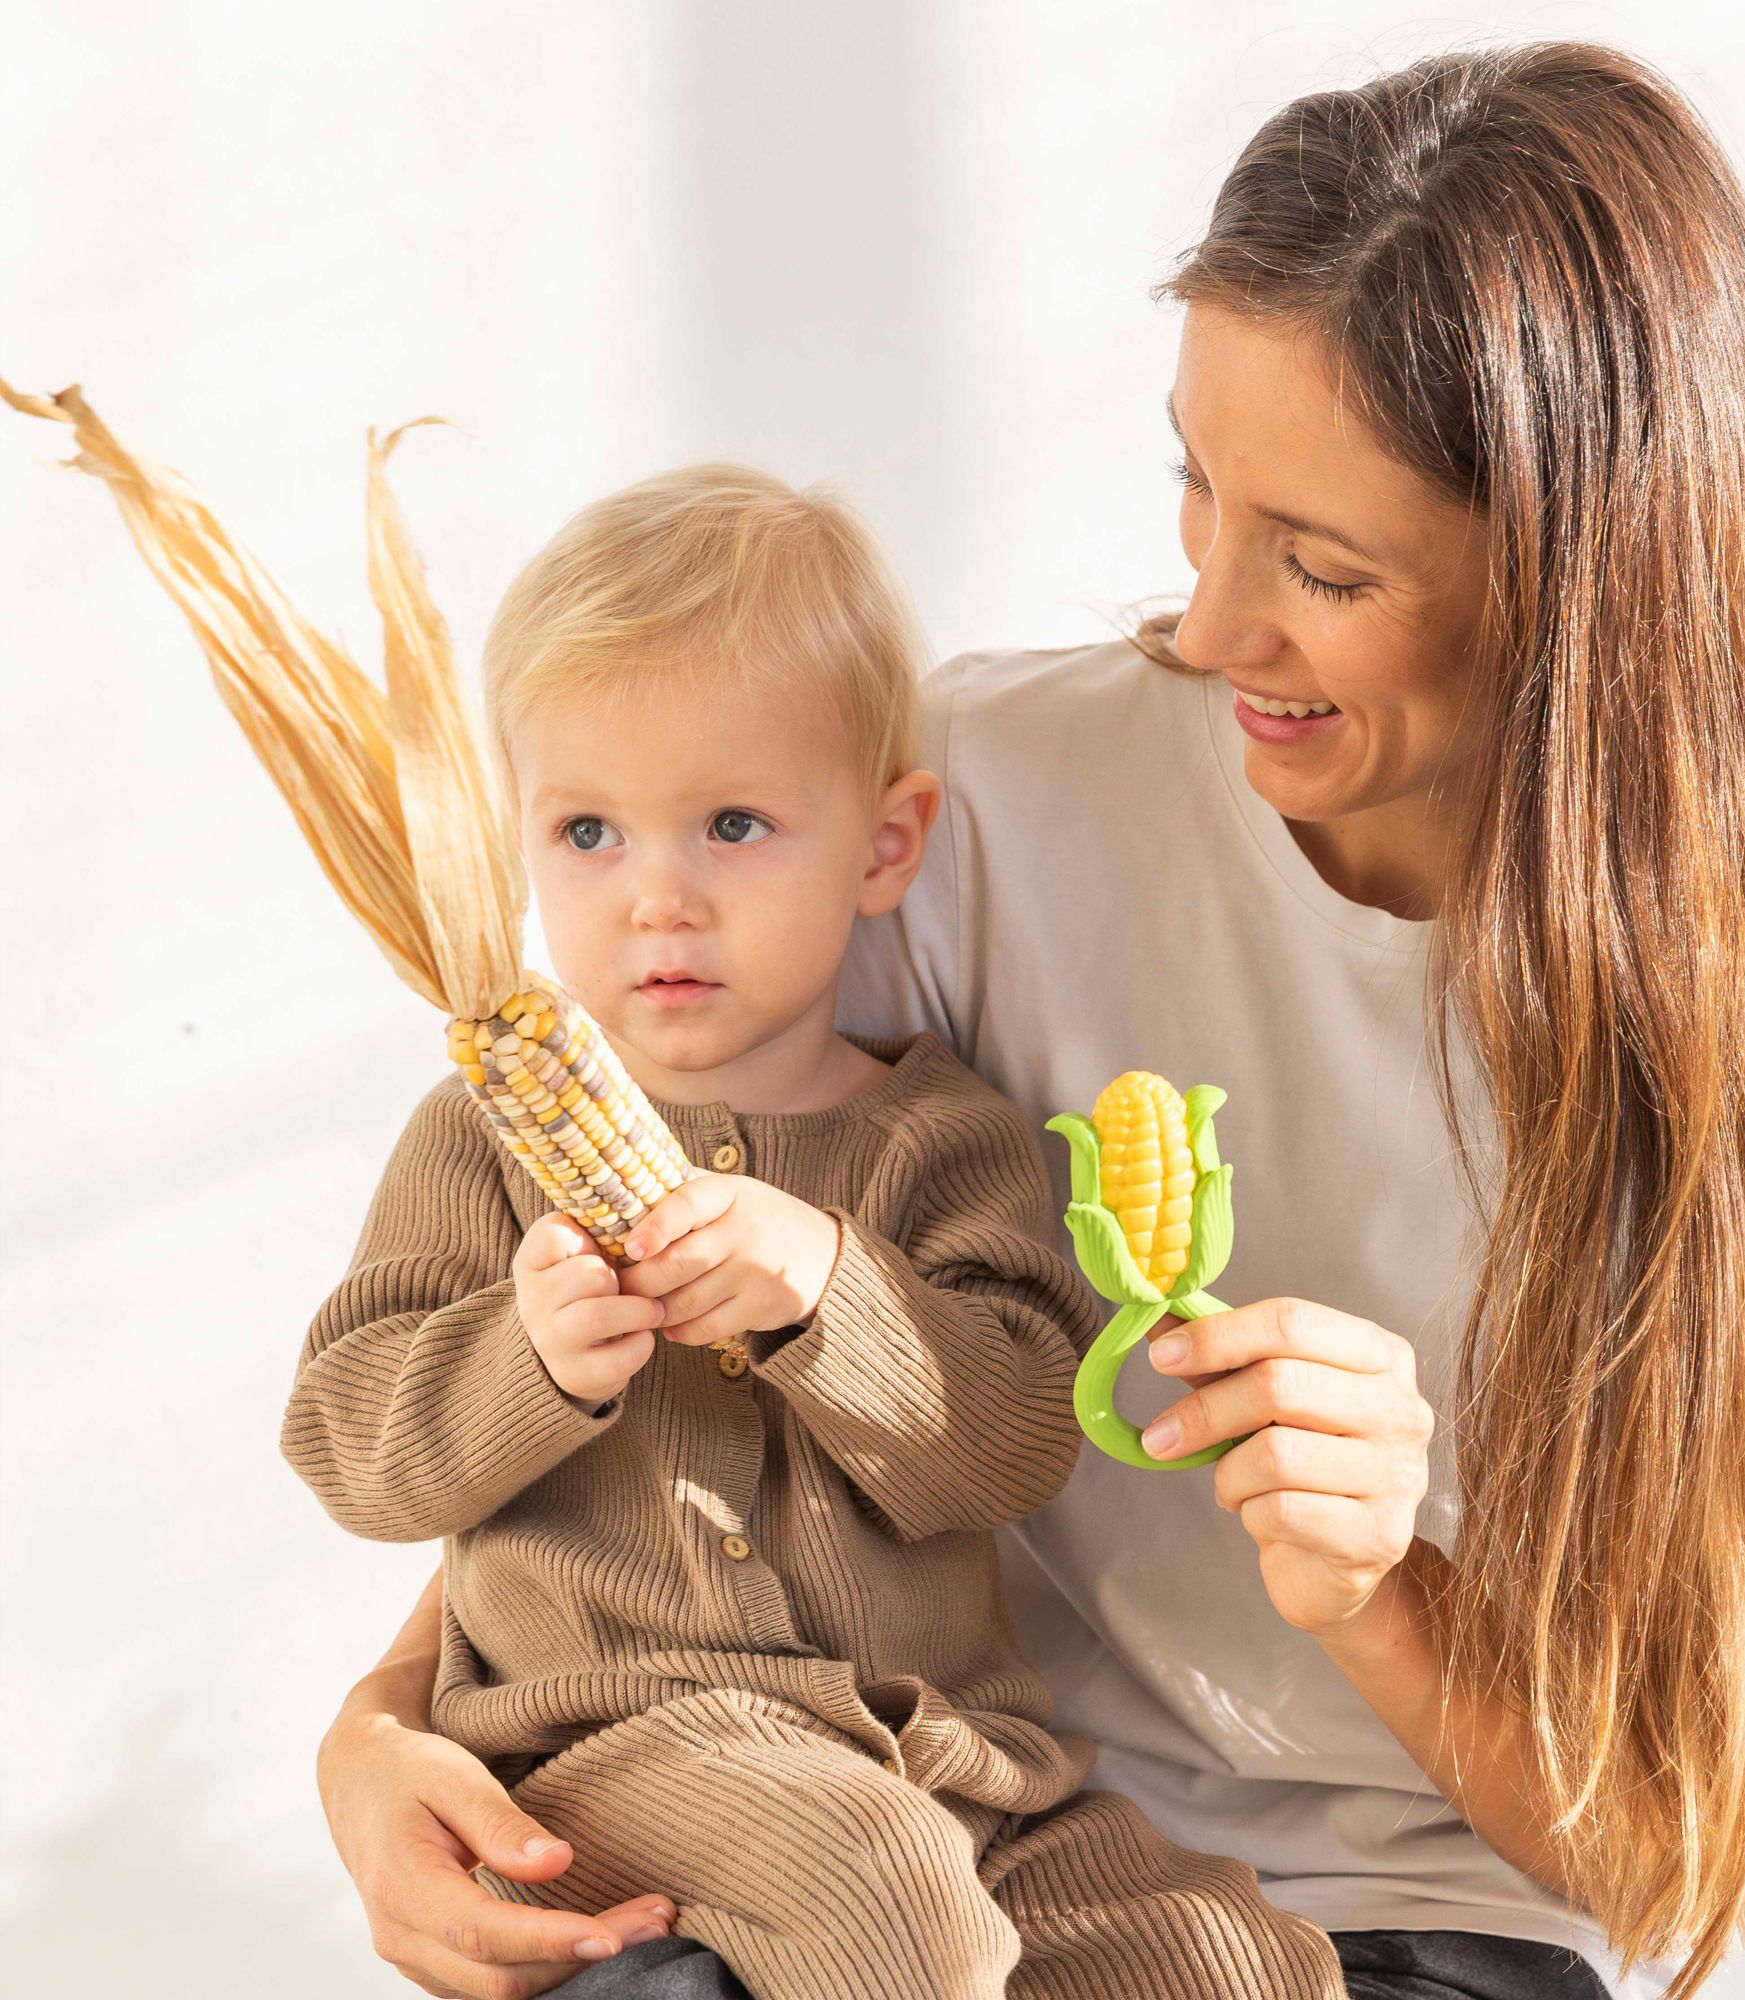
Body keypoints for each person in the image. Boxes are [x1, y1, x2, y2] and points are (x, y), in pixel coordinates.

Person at [310, 42, 1745, 2000]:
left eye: (1324, 566)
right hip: (905, 1822)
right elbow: (686, 1305)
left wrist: (1377, 1591)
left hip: (1418, 1934)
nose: (1205, 627)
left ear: (1581, 589)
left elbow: (1661, 1854)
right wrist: (384, 1724)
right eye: (1200, 490)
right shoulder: (971, 807)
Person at [283, 462, 1347, 2000]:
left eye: (731, 824)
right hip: (615, 1759)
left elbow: (1007, 1450)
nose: (659, 898)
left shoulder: (947, 1139)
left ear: (884, 848)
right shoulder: (482, 1142)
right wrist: (528, 1356)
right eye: (588, 832)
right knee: (888, 1908)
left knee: (1229, 1962)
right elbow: (348, 1449)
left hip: (959, 1774)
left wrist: (827, 1291)